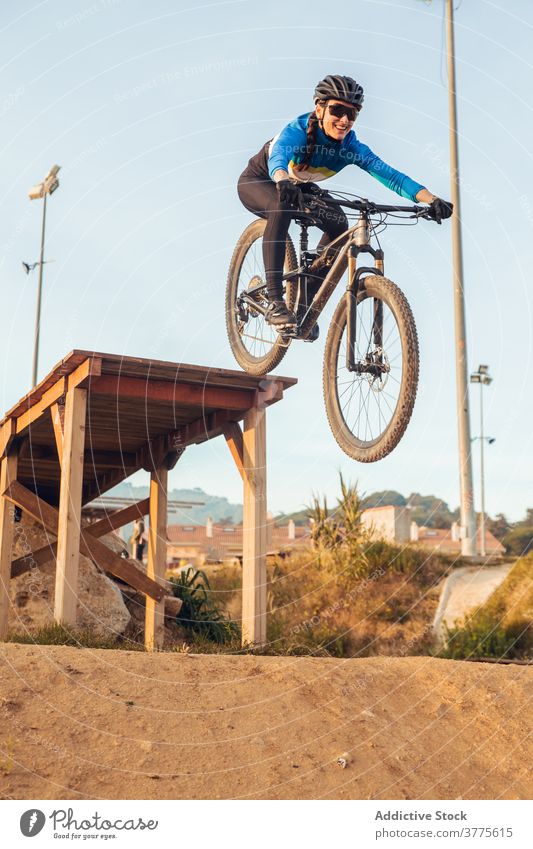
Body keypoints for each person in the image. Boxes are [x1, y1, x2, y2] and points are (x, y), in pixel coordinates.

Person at [237, 74, 453, 331]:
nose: (344, 121)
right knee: (281, 206)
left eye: (352, 114)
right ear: (319, 108)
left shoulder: (351, 147)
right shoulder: (298, 130)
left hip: (300, 188)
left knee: (340, 226)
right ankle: (275, 300)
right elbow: (279, 155)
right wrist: (282, 179)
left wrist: (432, 199)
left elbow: (392, 177)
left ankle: (304, 304)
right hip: (261, 180)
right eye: (337, 110)